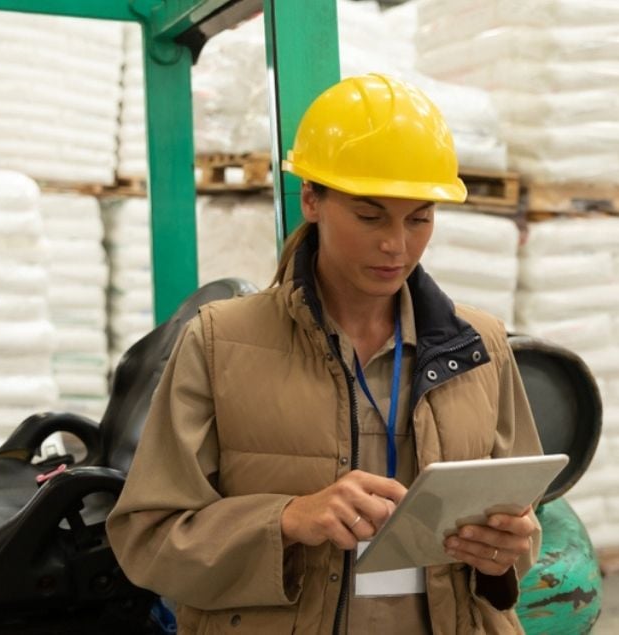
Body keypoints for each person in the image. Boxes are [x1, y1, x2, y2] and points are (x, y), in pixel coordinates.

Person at [105, 73, 544, 635]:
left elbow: (525, 530)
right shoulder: (219, 342)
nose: (396, 244)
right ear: (311, 199)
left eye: (419, 218)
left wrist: (509, 546)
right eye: (370, 215)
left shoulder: (480, 347)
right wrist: (286, 520)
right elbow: (149, 538)